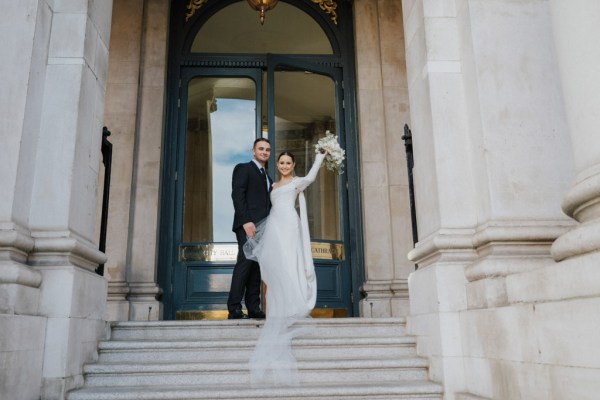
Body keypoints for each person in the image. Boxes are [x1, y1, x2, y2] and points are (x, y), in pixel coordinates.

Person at [244, 149, 328, 385]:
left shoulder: (297, 182)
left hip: (289, 225)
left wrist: (320, 156)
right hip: (274, 227)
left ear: (293, 164)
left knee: (290, 262)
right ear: (277, 164)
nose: (284, 165)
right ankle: (277, 307)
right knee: (274, 268)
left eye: (288, 162)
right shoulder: (271, 185)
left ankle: (293, 304)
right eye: (281, 162)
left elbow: (311, 177)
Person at [227, 138, 272, 320]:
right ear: (253, 151)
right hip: (249, 226)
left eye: (267, 150)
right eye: (261, 149)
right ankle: (234, 308)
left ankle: (253, 307)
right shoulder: (243, 168)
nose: (264, 152)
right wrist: (246, 221)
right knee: (245, 264)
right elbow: (238, 194)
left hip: (264, 228)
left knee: (256, 267)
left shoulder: (267, 176)